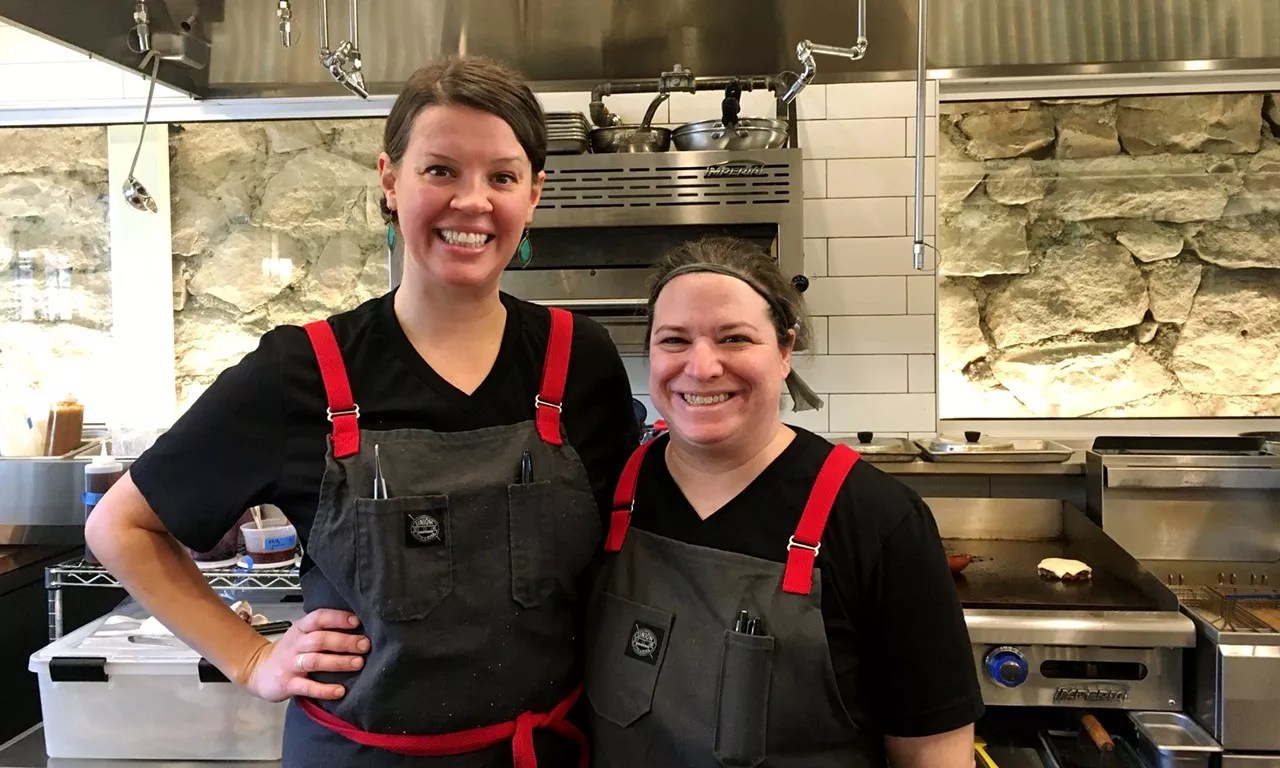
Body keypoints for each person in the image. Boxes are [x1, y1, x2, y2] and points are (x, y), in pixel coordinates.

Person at [86, 56, 639, 768]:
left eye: (501, 177)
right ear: (390, 180)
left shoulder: (581, 361)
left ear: (533, 194)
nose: (472, 201)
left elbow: (631, 560)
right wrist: (251, 658)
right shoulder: (302, 371)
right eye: (440, 170)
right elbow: (120, 526)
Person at [583, 237, 983, 767]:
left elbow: (935, 755)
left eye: (734, 338)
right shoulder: (608, 490)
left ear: (785, 349)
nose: (701, 367)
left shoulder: (878, 519)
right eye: (674, 340)